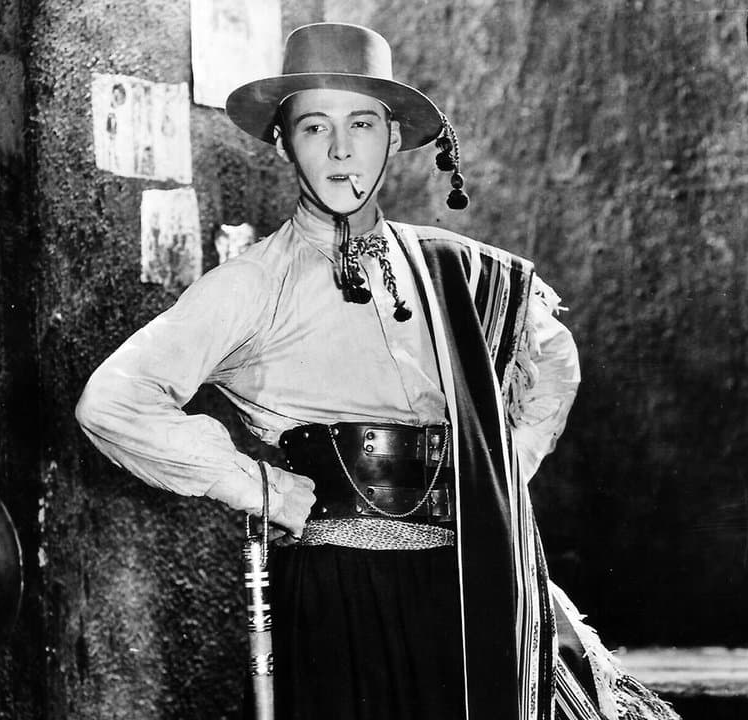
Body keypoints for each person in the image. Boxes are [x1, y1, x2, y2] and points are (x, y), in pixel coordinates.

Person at [77, 22, 667, 720]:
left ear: (392, 138)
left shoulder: (454, 267)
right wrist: (262, 489)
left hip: (464, 581)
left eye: (361, 124)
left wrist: (503, 471)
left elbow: (552, 359)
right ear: (283, 143)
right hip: (337, 589)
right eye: (313, 127)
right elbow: (111, 402)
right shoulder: (251, 283)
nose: (340, 149)